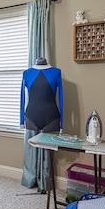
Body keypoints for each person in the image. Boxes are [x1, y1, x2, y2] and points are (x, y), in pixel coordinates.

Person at [20, 58, 63, 192]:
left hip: (51, 117)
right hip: (31, 116)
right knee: (32, 150)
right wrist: (21, 120)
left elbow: (61, 97)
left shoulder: (56, 72)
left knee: (47, 152)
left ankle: (45, 183)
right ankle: (31, 178)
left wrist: (62, 123)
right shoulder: (26, 73)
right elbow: (22, 96)